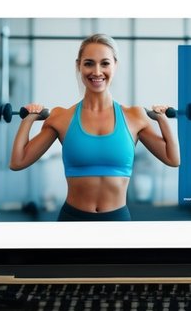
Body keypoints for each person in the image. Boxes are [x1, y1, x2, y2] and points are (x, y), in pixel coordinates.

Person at [9, 33, 180, 220]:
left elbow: (173, 159)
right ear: (79, 66)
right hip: (72, 220)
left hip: (117, 221)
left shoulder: (134, 116)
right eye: (89, 63)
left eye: (105, 63)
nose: (97, 72)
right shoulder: (62, 117)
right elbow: (18, 162)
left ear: (115, 65)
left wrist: (163, 119)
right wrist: (28, 119)